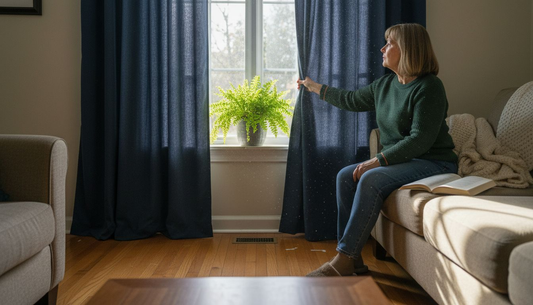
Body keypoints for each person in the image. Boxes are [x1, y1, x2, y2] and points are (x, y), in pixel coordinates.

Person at [297, 23, 458, 277]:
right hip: (403, 161)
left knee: (370, 178)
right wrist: (316, 87)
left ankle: (343, 259)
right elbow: (351, 99)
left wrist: (377, 160)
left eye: (389, 43)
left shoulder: (429, 87)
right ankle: (354, 260)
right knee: (344, 176)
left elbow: (420, 141)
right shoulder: (385, 85)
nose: (382, 48)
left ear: (407, 49)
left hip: (434, 161)